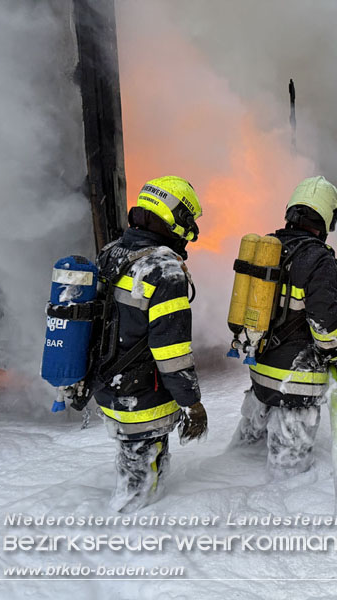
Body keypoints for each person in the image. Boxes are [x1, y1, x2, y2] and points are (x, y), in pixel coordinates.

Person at [62, 175, 207, 511]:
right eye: (188, 220)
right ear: (173, 216)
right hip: (143, 394)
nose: (191, 231)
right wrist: (192, 403)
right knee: (140, 494)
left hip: (108, 385)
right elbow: (171, 352)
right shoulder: (165, 270)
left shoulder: (112, 252)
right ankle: (122, 544)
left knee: (137, 464)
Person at [233, 176, 337, 477]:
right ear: (327, 219)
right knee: (288, 479)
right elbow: (324, 322)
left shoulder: (269, 247)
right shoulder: (317, 258)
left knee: (239, 461)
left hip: (259, 376)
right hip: (295, 385)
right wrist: (335, 355)